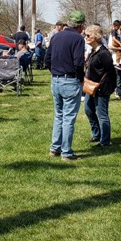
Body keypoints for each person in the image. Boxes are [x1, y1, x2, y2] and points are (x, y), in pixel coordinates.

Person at [46, 10, 86, 161]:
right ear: (81, 25)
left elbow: (47, 60)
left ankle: (54, 148)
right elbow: (78, 63)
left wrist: (55, 73)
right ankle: (66, 152)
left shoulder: (56, 37)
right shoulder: (78, 39)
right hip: (69, 80)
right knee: (68, 117)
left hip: (55, 79)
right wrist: (81, 79)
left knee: (59, 115)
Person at [83, 24, 116, 148]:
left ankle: (105, 140)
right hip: (90, 88)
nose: (86, 37)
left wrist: (109, 88)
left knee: (102, 114)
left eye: (88, 35)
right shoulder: (92, 51)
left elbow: (112, 72)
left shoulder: (104, 53)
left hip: (102, 89)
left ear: (96, 37)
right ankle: (96, 134)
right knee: (88, 110)